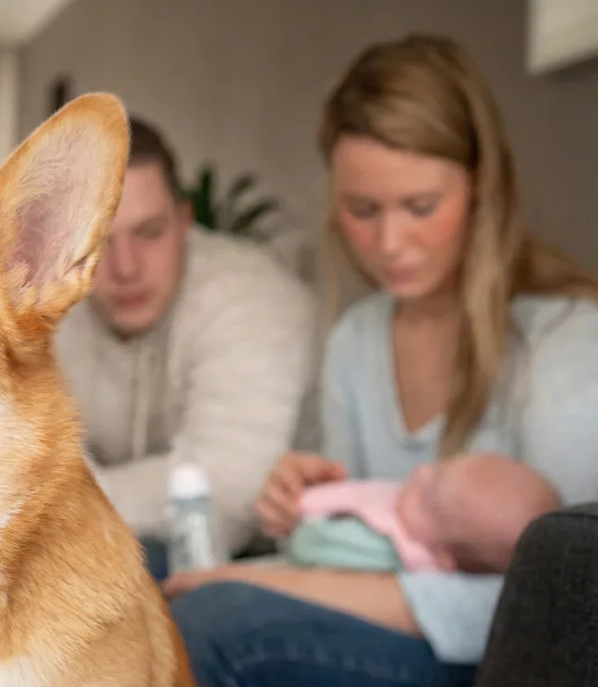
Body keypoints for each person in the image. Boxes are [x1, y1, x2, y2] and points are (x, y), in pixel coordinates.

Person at [162, 33, 598, 686]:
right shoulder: (357, 341)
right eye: (362, 210)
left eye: (421, 208)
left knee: (214, 624)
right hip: (383, 628)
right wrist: (305, 510)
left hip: (503, 659)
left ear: (481, 186)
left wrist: (265, 582)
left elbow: (568, 606)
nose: (390, 243)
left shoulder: (567, 341)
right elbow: (359, 551)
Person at [54, 116, 316, 576]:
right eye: (98, 241)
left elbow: (228, 491)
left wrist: (66, 497)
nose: (126, 267)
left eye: (149, 233)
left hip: (274, 557)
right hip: (121, 537)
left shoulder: (252, 297)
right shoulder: (51, 298)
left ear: (183, 221)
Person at [291, 452, 561, 573]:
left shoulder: (392, 551)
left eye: (426, 497)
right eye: (441, 467)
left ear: (440, 557)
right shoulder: (409, 514)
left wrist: (304, 518)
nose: (420, 473)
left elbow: (307, 544)